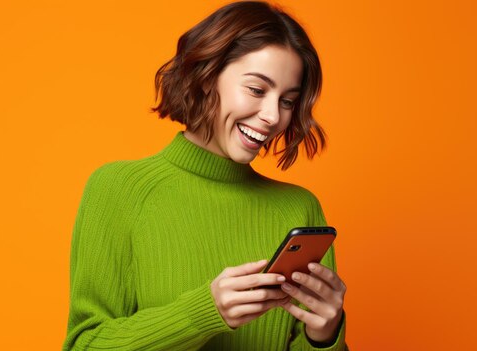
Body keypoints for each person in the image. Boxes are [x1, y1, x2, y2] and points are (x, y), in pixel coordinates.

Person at [62, 1, 348, 350]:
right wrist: (204, 313)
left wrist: (325, 336)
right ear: (206, 75)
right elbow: (86, 345)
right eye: (257, 90)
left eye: (288, 100)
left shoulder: (298, 208)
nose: (273, 116)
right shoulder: (119, 190)